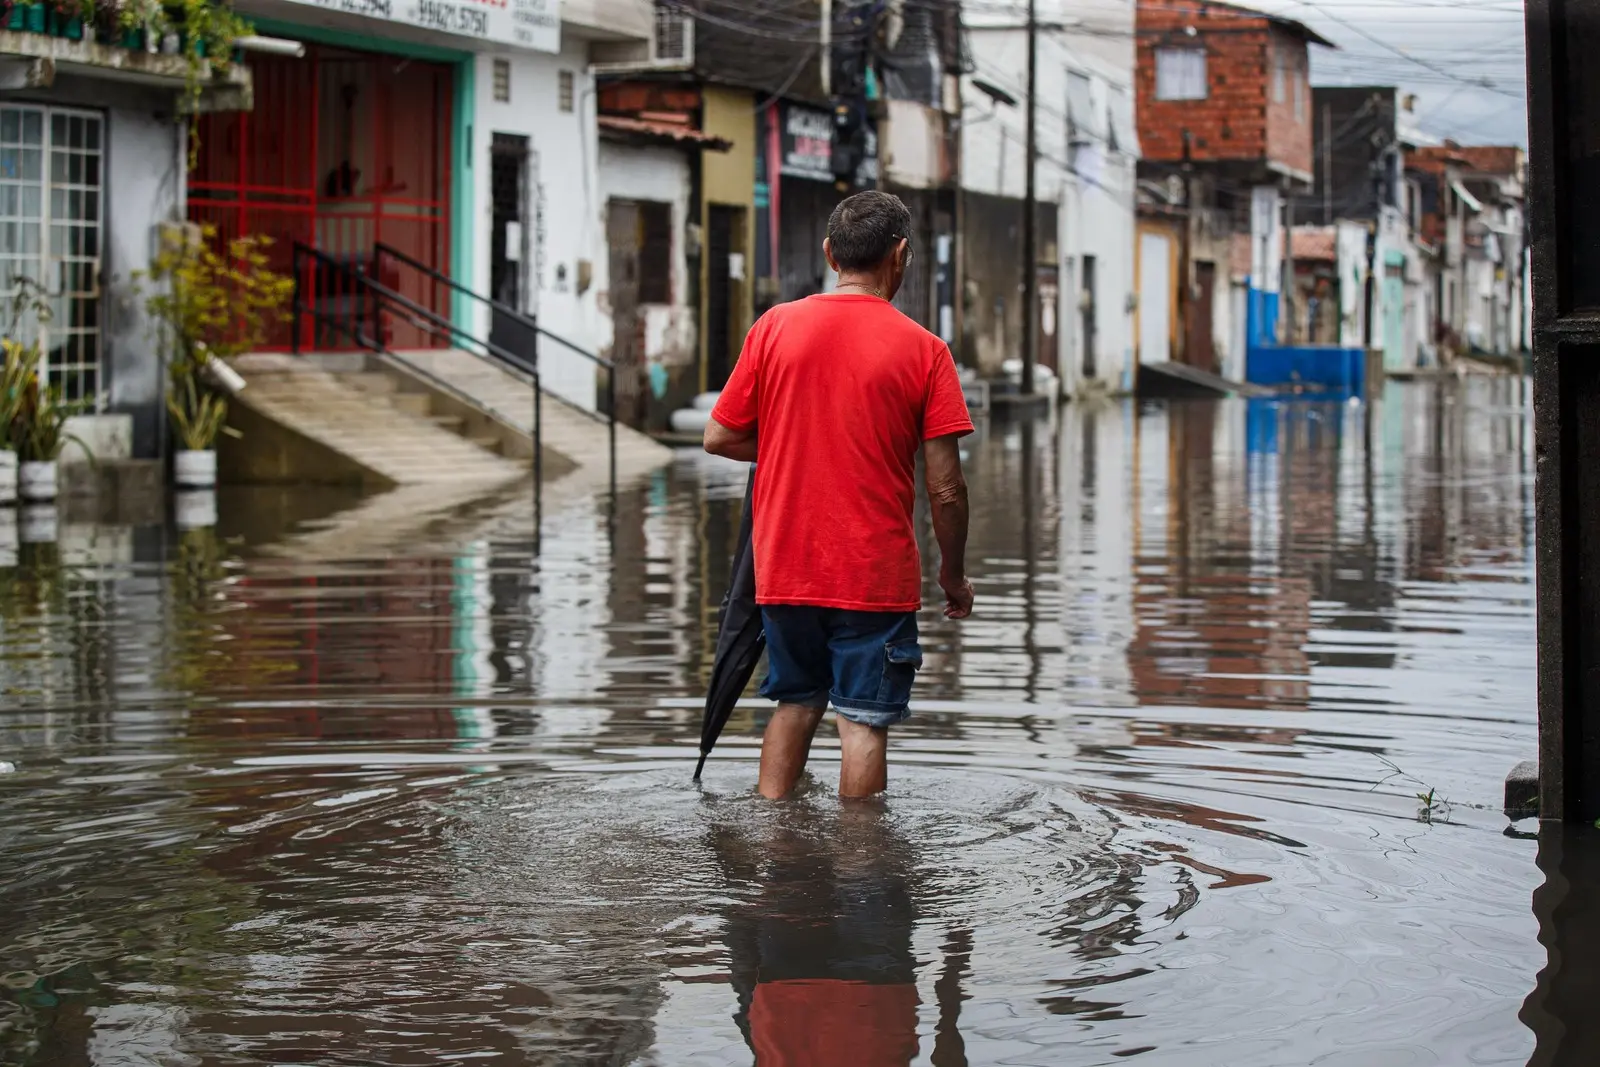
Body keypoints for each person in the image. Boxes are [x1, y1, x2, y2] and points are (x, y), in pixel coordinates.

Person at [703, 189, 975, 800]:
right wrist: (953, 576)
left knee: (795, 703)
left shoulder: (774, 327)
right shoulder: (926, 352)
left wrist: (796, 442)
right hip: (871, 576)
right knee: (863, 721)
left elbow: (719, 435)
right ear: (900, 256)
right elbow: (946, 487)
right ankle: (862, 860)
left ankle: (774, 844)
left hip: (784, 569)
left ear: (830, 254)